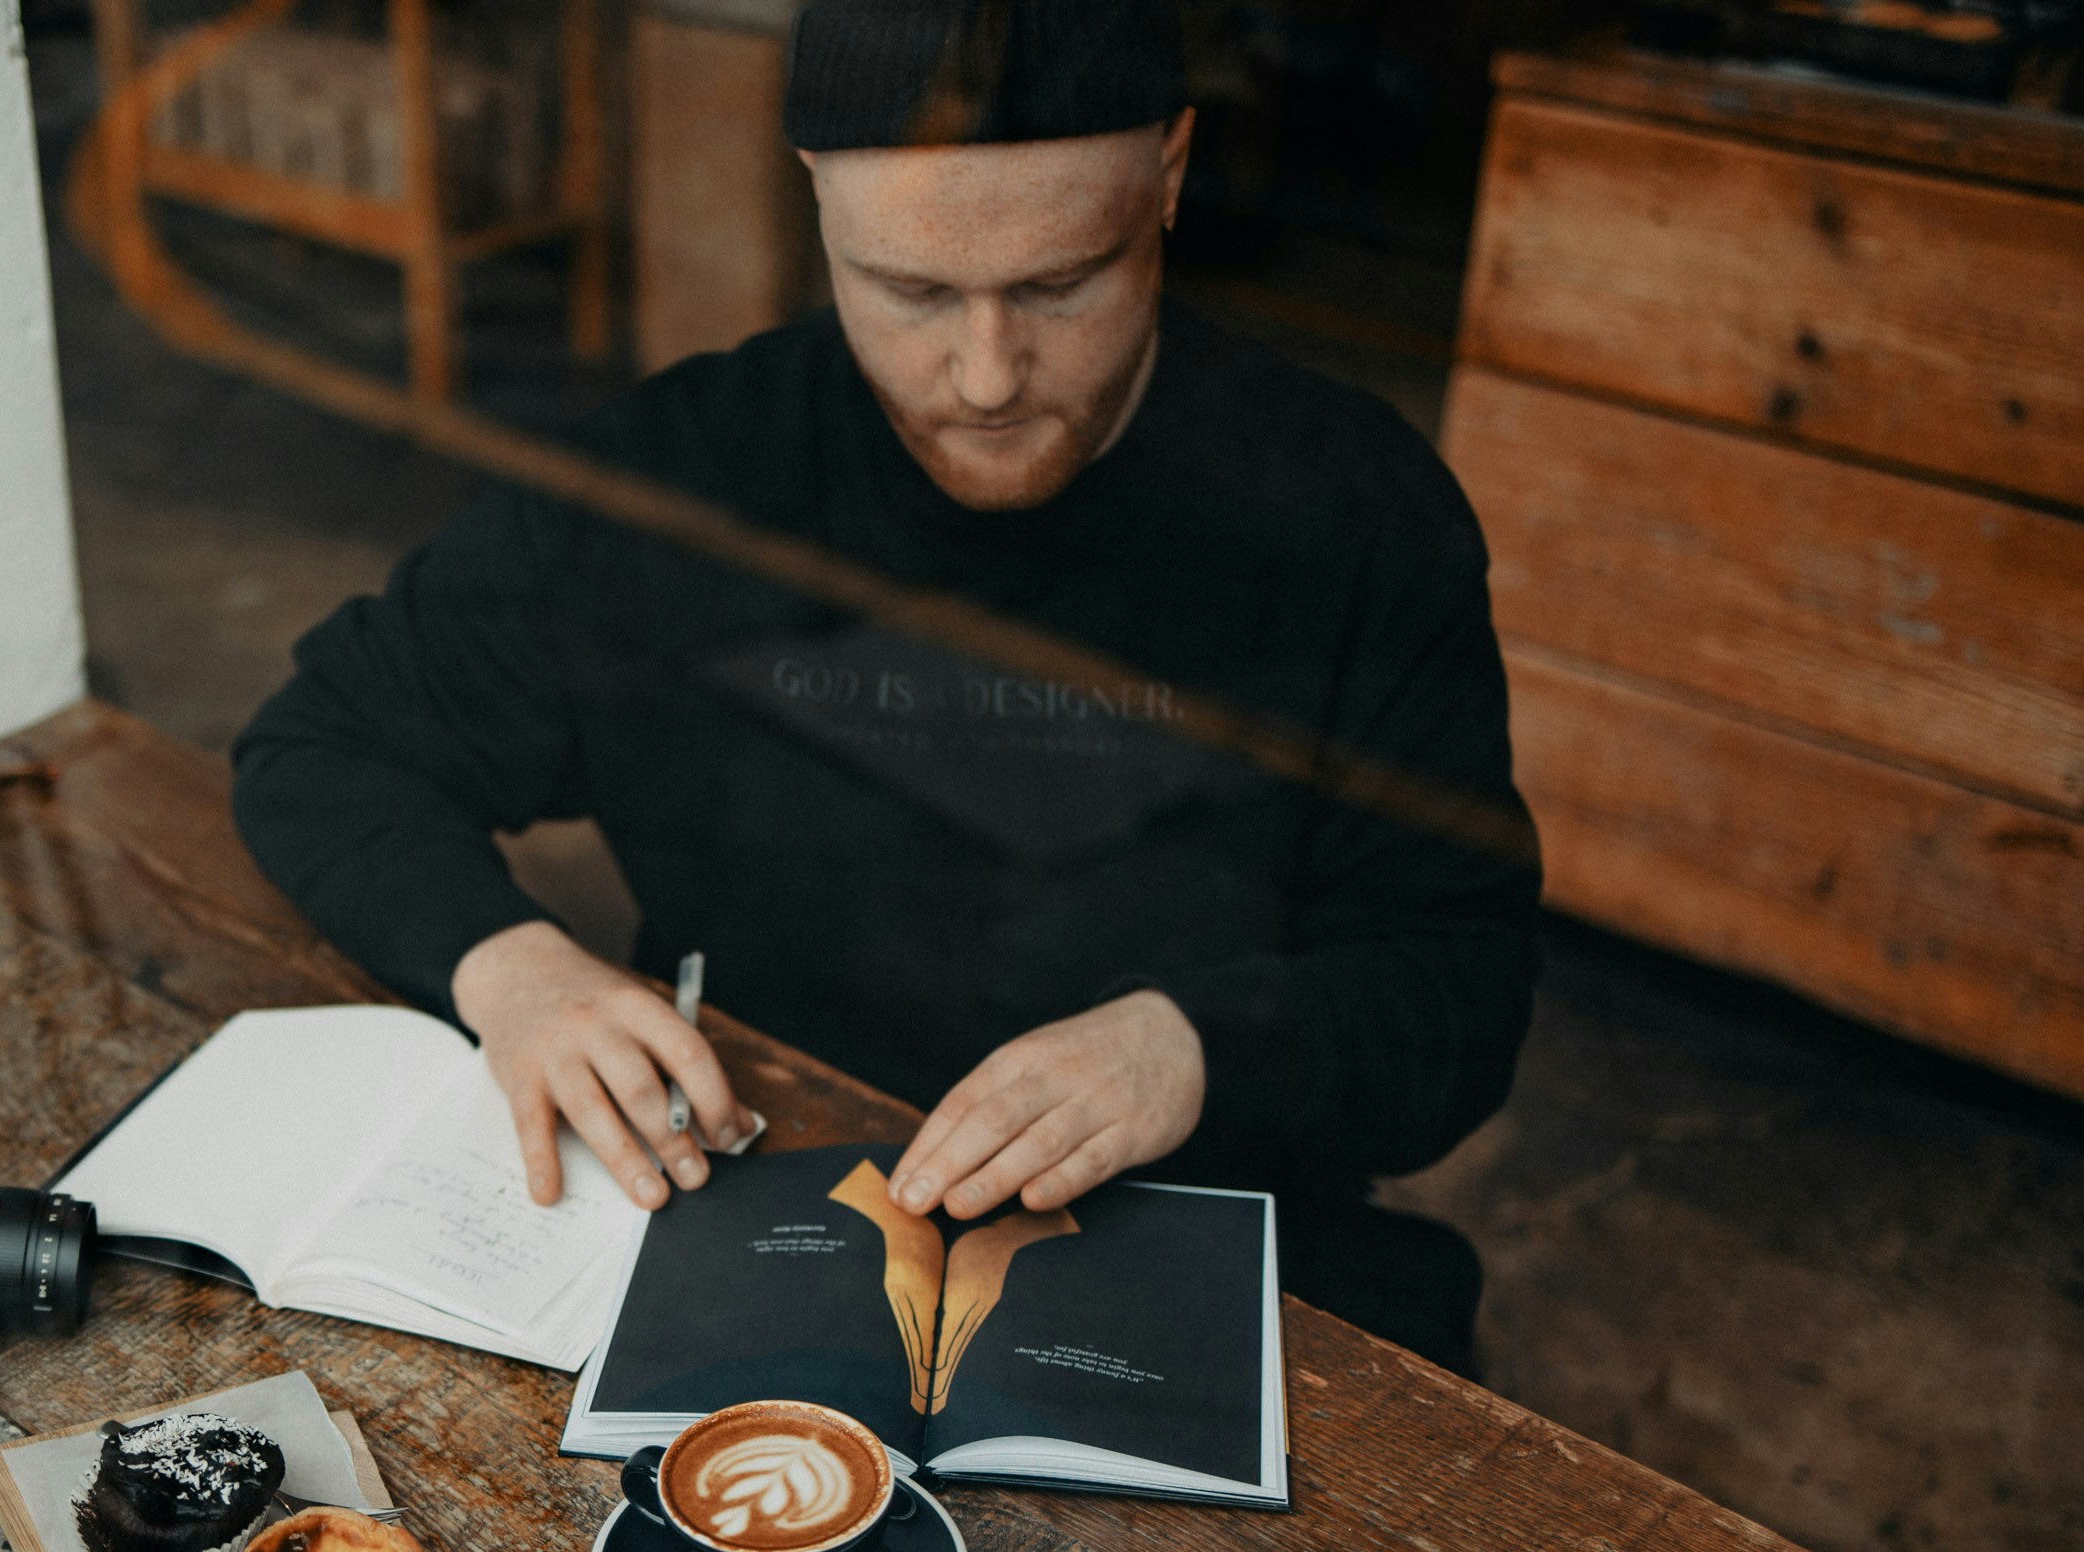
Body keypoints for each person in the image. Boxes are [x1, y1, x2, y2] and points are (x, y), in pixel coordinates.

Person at [230, 0, 1538, 1373]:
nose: (983, 380)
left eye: (1060, 286)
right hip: (756, 1199)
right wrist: (514, 971)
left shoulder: (1357, 516)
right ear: (815, 194)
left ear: (1169, 171)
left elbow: (1457, 988)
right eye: (909, 292)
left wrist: (1197, 1047)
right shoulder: (676, 483)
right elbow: (324, 743)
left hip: (1214, 1246)